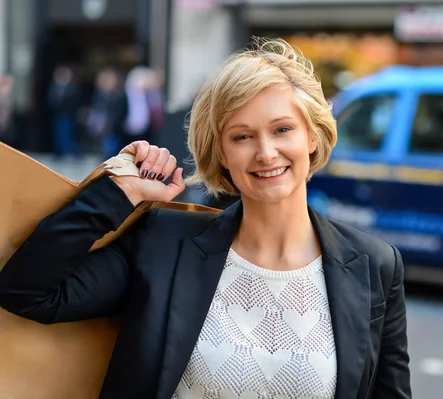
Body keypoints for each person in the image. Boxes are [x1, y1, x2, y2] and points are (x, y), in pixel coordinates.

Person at [0, 38, 411, 398]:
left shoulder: (375, 265)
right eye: (242, 136)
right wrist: (119, 193)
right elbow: (27, 291)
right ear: (222, 155)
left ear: (313, 136)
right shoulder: (164, 243)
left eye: (282, 129)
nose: (266, 152)